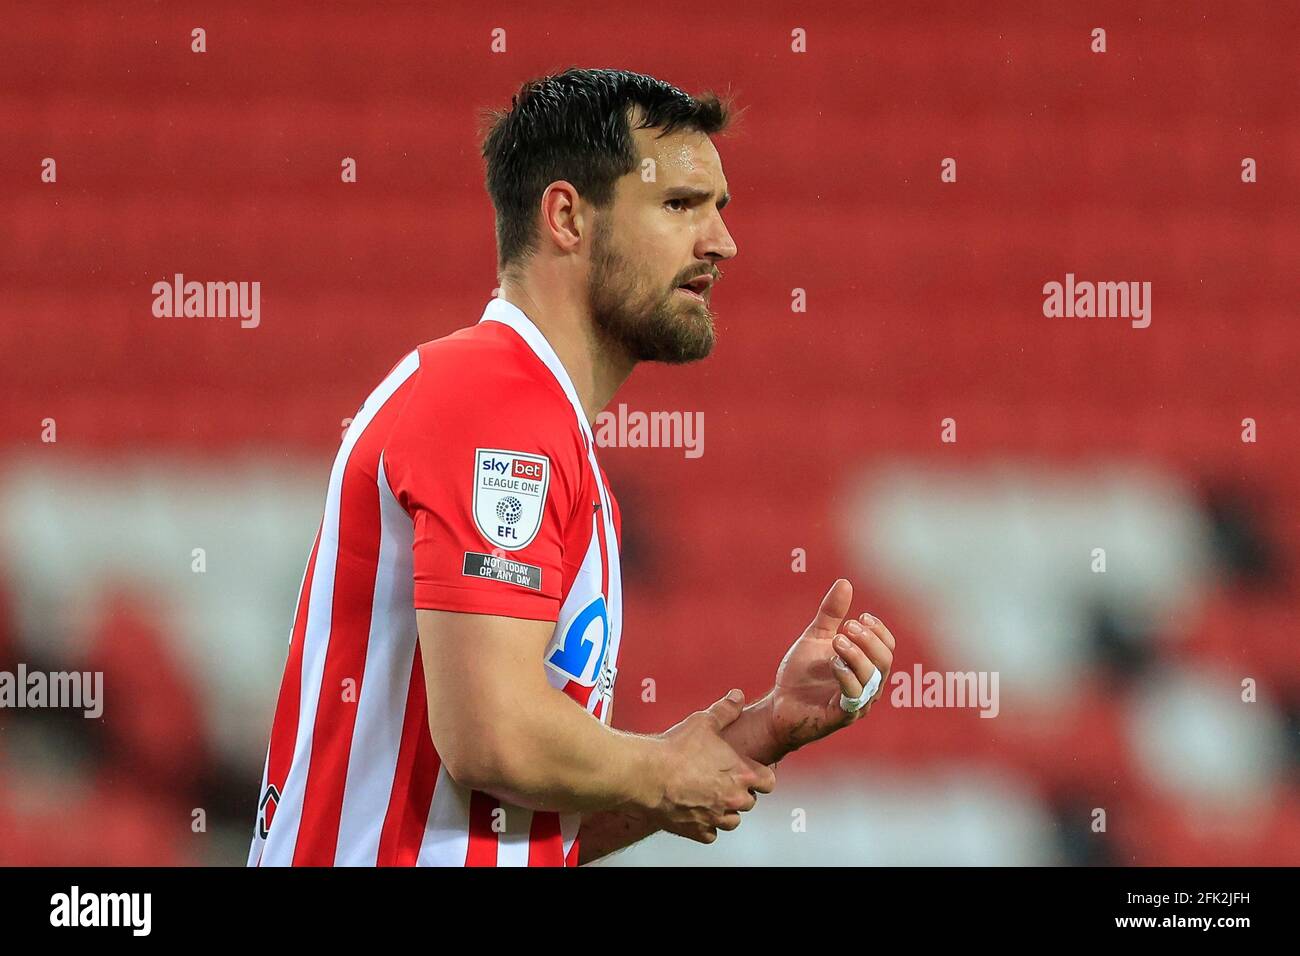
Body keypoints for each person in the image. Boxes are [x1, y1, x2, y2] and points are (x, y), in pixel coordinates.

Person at [248, 67, 896, 867]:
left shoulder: (551, 438)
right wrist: (661, 772)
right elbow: (492, 739)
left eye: (719, 208)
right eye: (680, 204)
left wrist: (759, 729)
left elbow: (526, 827)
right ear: (566, 218)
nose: (723, 241)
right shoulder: (492, 402)